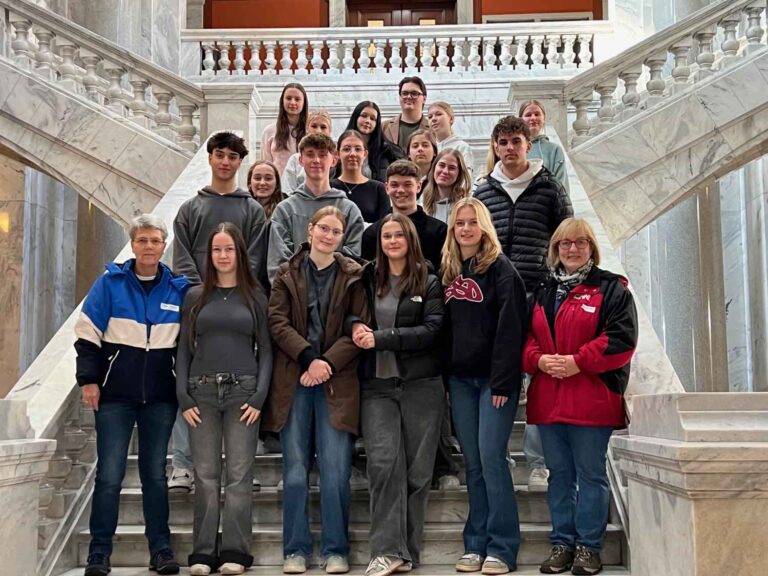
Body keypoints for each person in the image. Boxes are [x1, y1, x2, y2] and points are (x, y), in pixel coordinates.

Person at [75, 214, 187, 576]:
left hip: (160, 397)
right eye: (143, 241)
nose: (149, 247)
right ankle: (99, 553)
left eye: (156, 241)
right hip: (114, 397)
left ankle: (161, 549)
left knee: (155, 474)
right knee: (109, 475)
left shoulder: (178, 288)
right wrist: (88, 380)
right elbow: (87, 334)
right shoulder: (110, 284)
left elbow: (188, 344)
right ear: (133, 244)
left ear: (164, 245)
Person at [524, 218, 637, 576]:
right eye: (565, 244)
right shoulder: (541, 290)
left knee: (590, 475)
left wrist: (578, 362)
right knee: (559, 476)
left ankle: (589, 548)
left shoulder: (611, 288)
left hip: (591, 399)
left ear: (592, 247)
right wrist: (538, 359)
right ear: (555, 249)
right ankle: (562, 544)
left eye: (580, 243)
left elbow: (621, 339)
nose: (572, 250)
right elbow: (524, 339)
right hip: (549, 400)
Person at [263, 206, 369, 575]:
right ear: (309, 230)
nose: (328, 235)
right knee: (295, 472)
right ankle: (295, 549)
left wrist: (325, 364)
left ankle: (335, 549)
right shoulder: (285, 274)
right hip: (294, 380)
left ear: (342, 237)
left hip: (336, 382)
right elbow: (276, 321)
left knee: (336, 470)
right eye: (323, 228)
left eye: (336, 231)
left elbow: (359, 327)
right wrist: (309, 358)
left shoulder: (355, 275)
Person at [473, 116, 573, 492]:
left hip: (538, 292)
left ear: (528, 145)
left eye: (516, 141)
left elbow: (566, 237)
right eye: (503, 142)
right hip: (494, 298)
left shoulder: (549, 188)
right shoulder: (483, 191)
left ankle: (538, 461)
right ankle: (498, 454)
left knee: (538, 376)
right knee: (499, 372)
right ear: (495, 147)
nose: (509, 148)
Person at [170, 130, 268, 493]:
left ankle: (244, 463)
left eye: (232, 156)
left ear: (240, 162)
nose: (226, 162)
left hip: (241, 306)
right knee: (192, 376)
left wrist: (235, 294)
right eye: (220, 155)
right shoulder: (190, 209)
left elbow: (254, 259)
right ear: (210, 158)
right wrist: (202, 295)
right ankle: (182, 463)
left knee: (246, 376)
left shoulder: (252, 210)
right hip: (198, 309)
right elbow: (181, 258)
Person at [349, 214, 445, 576]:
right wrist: (356, 326)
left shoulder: (430, 281)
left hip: (422, 386)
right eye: (386, 235)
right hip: (377, 388)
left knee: (418, 474)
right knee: (384, 465)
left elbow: (433, 330)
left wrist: (382, 338)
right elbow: (348, 316)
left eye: (398, 235)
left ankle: (407, 554)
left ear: (410, 240)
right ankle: (386, 551)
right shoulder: (366, 279)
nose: (391, 241)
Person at [176, 223, 272, 576]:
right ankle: (202, 552)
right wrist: (183, 395)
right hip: (200, 392)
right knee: (204, 475)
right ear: (209, 255)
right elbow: (183, 348)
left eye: (229, 249)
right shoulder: (195, 296)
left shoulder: (255, 296)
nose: (222, 255)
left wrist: (260, 395)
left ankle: (235, 550)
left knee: (239, 475)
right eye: (216, 250)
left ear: (239, 253)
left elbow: (267, 352)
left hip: (243, 392)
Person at [441, 198, 528, 575]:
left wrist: (505, 381)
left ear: (484, 226)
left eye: (472, 223)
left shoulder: (502, 270)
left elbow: (512, 331)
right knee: (473, 464)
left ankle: (503, 546)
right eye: (459, 223)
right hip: (460, 381)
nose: (465, 229)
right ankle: (475, 543)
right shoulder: (447, 271)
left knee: (493, 459)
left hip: (494, 382)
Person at [268, 133, 365, 284]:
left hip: (336, 298)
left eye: (322, 155)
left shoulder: (350, 210)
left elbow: (351, 261)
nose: (316, 160)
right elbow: (279, 264)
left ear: (334, 160)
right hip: (295, 298)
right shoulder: (285, 210)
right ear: (300, 160)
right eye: (310, 154)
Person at [363, 160, 446, 277]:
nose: (400, 190)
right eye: (394, 185)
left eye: (407, 184)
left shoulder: (439, 231)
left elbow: (444, 273)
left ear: (418, 186)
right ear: (386, 188)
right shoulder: (372, 233)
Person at [331, 129, 392, 224]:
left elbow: (384, 226)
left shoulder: (378, 189)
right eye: (346, 149)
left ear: (365, 154)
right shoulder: (329, 187)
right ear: (338, 154)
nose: (352, 154)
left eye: (358, 149)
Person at [344, 101, 405, 182]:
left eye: (373, 119)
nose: (368, 121)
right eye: (364, 116)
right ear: (355, 117)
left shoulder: (387, 151)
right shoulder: (343, 147)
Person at [518, 100, 570, 194]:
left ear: (544, 118)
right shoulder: (514, 148)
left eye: (537, 114)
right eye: (528, 115)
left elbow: (562, 185)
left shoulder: (554, 150)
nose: (533, 118)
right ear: (521, 119)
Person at [261, 82, 308, 175]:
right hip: (279, 187)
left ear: (303, 103)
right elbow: (266, 165)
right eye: (288, 98)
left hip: (304, 186)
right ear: (282, 101)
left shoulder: (310, 131)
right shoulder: (269, 131)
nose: (293, 102)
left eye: (297, 99)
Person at [282, 110, 333, 193]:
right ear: (307, 129)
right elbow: (287, 190)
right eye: (314, 126)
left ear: (329, 131)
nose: (318, 131)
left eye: (323, 127)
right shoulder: (295, 159)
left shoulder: (334, 158)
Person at [420, 148, 472, 223]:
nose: (445, 171)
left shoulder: (466, 206)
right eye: (441, 165)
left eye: (452, 168)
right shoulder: (421, 205)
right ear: (434, 167)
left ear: (459, 174)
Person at [383, 76, 430, 150]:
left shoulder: (433, 129)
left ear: (424, 98)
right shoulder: (384, 127)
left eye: (414, 93)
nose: (408, 97)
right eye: (404, 93)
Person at [428, 101, 474, 171]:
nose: (433, 119)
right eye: (430, 117)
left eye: (438, 114)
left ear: (451, 119)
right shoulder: (428, 147)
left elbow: (467, 178)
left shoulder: (462, 147)